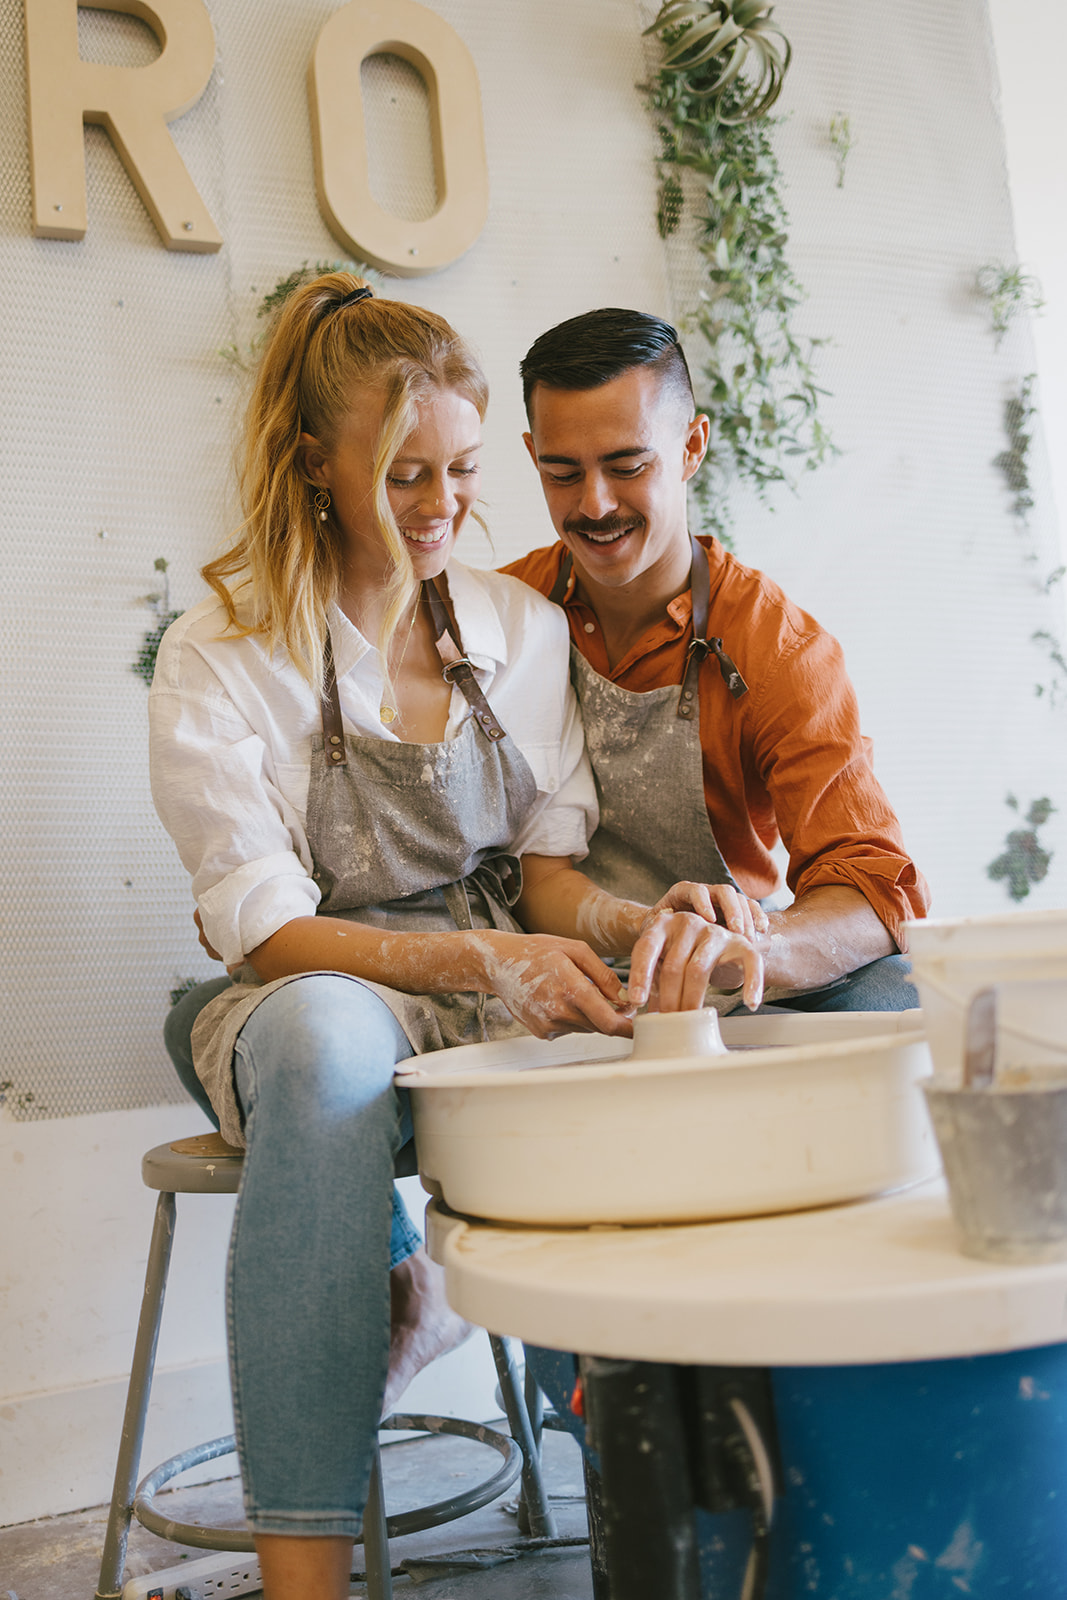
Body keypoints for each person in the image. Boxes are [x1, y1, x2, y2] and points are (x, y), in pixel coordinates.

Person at [148, 274, 763, 1600]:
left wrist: (625, 926)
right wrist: (473, 963)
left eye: (464, 473)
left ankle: (666, 1522)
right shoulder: (222, 653)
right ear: (316, 462)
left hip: (489, 974)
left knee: (653, 1021)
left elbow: (542, 881)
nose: (441, 510)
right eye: (404, 474)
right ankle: (302, 1571)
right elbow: (270, 937)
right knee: (322, 1051)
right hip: (313, 985)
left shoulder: (514, 626)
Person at [504, 307, 930, 1011]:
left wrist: (754, 950)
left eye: (626, 465)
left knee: (895, 994)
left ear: (692, 446)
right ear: (532, 457)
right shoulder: (503, 616)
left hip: (730, 984)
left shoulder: (778, 648)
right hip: (551, 983)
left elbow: (876, 887)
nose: (594, 503)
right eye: (561, 473)